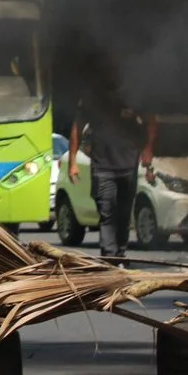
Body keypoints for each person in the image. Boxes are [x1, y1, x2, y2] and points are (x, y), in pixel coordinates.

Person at [68, 89, 156, 263]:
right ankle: (109, 257)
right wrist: (72, 162)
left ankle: (120, 254)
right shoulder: (91, 98)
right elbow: (77, 128)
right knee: (107, 213)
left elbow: (151, 121)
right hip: (102, 167)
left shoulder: (133, 93)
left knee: (123, 214)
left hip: (128, 166)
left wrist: (148, 149)